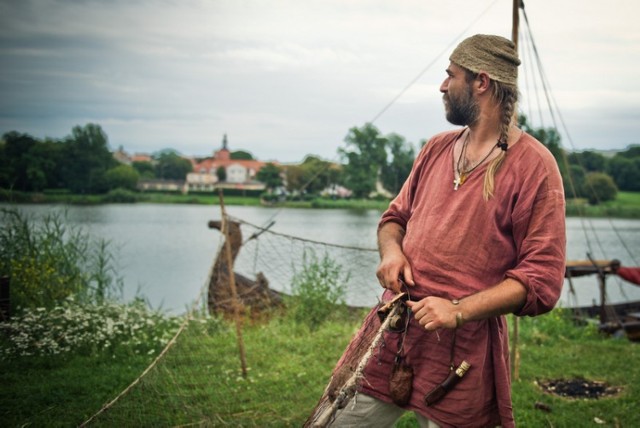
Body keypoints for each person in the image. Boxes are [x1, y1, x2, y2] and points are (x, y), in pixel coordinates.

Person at [328, 34, 566, 427]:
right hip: (396, 327)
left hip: (462, 349)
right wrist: (392, 252)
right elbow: (394, 219)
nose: (442, 85)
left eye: (450, 75)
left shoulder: (534, 166)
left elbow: (541, 281)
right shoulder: (436, 148)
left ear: (482, 82)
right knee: (339, 421)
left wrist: (457, 311)